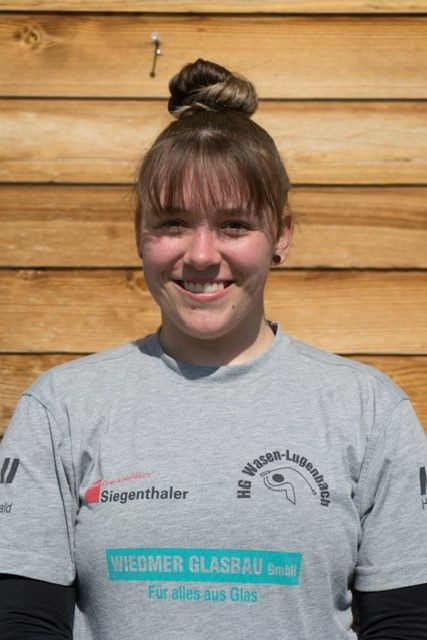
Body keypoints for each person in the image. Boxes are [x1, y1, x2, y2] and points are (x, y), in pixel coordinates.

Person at [0, 58, 426, 640]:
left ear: (281, 235)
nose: (201, 255)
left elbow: (406, 623)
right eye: (174, 222)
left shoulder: (370, 410)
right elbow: (20, 622)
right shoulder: (61, 409)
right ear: (140, 232)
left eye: (233, 225)